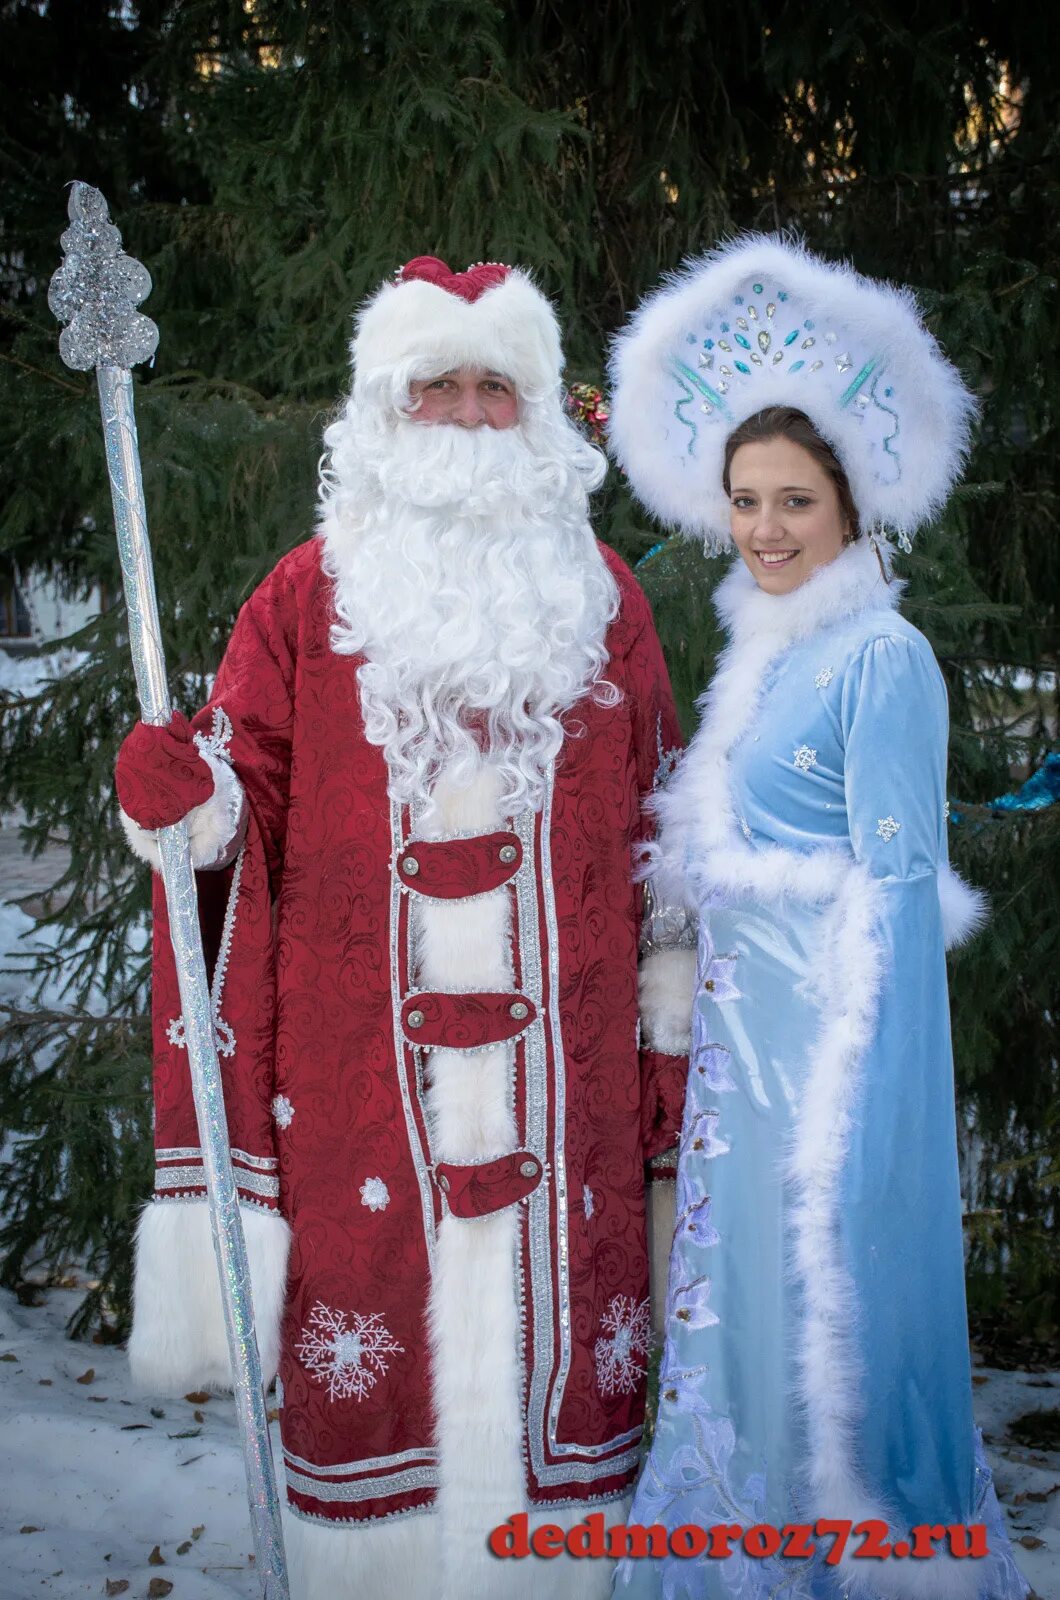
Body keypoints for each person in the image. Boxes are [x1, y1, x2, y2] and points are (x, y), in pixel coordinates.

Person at [114, 255, 697, 1600]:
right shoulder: (303, 599)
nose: (473, 413)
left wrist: (672, 1069)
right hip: (360, 1111)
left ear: (545, 410)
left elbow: (671, 834)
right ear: (386, 405)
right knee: (379, 1434)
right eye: (442, 384)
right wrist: (185, 798)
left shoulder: (612, 600)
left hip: (574, 1127)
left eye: (501, 386)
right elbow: (236, 792)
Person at [605, 236, 1028, 1599]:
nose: (766, 529)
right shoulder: (767, 650)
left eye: (794, 500)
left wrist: (868, 1133)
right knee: (739, 1328)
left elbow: (895, 894)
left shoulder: (884, 656)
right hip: (749, 1068)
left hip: (823, 1078)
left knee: (813, 1325)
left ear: (850, 502)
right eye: (744, 500)